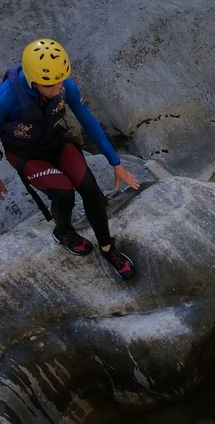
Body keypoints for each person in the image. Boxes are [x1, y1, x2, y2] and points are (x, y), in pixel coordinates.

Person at [0, 38, 138, 279]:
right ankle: (63, 231)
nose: (57, 89)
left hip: (56, 142)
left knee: (90, 188)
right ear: (33, 80)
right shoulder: (7, 97)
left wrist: (115, 162)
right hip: (26, 154)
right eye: (49, 85)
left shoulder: (65, 87)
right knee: (64, 193)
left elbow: (88, 121)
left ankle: (107, 248)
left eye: (60, 80)